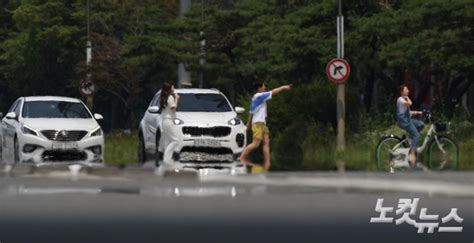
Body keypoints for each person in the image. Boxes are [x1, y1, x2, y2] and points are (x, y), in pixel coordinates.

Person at [239, 82, 292, 171]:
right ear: (259, 88)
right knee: (256, 144)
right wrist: (283, 87)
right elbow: (273, 92)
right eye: (263, 86)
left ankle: (267, 162)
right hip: (258, 124)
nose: (265, 87)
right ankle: (242, 157)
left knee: (266, 142)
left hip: (262, 123)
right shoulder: (260, 96)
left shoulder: (256, 97)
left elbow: (251, 112)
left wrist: (249, 123)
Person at [396, 84, 424, 168]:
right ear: (402, 92)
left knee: (421, 124)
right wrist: (407, 97)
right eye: (406, 89)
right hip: (404, 122)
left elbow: (408, 112)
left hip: (408, 120)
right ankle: (412, 156)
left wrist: (418, 112)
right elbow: (410, 103)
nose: (408, 90)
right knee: (416, 136)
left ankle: (411, 140)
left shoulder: (403, 99)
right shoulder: (400, 99)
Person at [158, 82, 180, 170]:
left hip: (165, 121)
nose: (174, 87)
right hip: (168, 121)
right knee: (175, 140)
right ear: (170, 88)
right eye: (172, 86)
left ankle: (167, 160)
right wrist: (177, 99)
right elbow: (174, 109)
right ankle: (166, 160)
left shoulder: (163, 97)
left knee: (169, 141)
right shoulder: (170, 97)